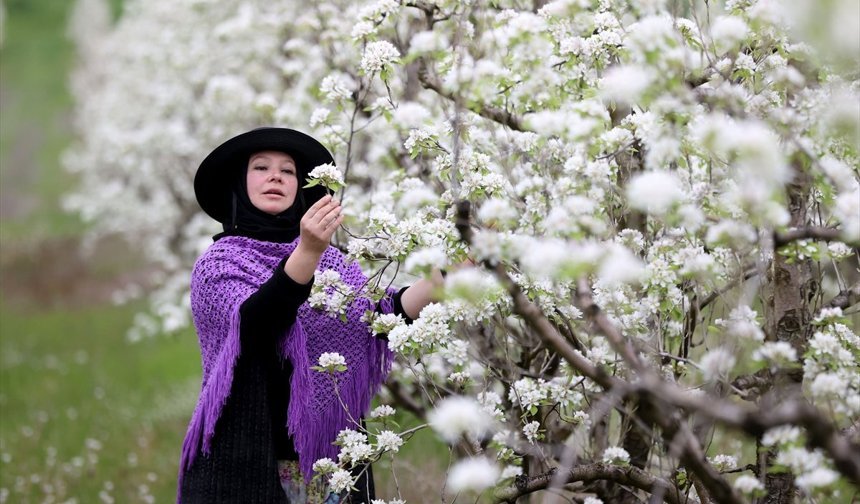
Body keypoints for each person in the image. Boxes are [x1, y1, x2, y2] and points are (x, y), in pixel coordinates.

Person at [177, 127, 440, 503]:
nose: (275, 176)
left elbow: (378, 318)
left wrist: (444, 278)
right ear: (240, 182)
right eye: (261, 167)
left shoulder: (332, 261)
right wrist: (307, 253)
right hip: (242, 462)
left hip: (327, 463)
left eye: (288, 171)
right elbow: (254, 325)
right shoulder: (218, 264)